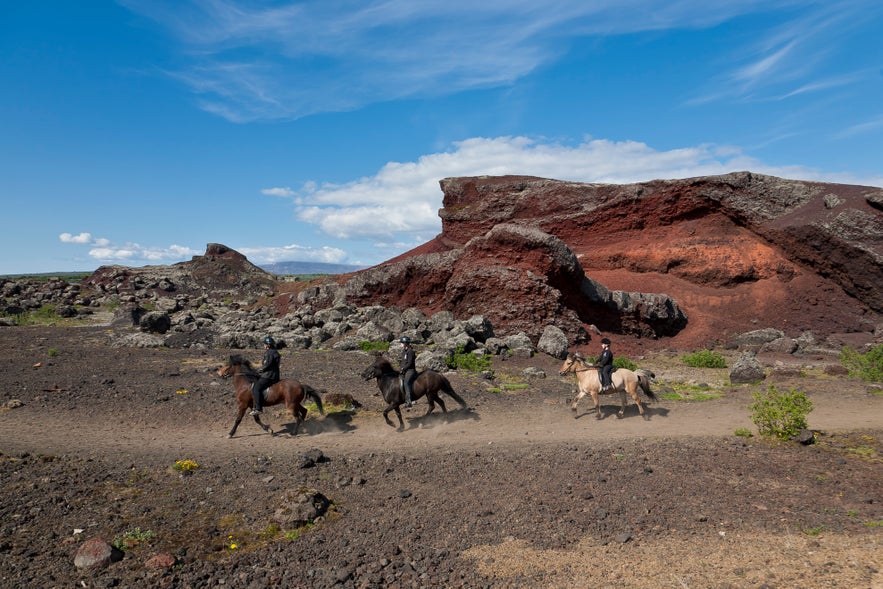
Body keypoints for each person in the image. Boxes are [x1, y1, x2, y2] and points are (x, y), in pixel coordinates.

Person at [250, 336, 281, 416]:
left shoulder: (269, 353)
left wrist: (259, 370)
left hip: (269, 376)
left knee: (256, 387)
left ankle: (258, 408)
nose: (264, 345)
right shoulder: (275, 352)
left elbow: (267, 364)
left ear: (268, 345)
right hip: (275, 375)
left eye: (264, 344)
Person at [399, 336, 417, 408]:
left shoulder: (411, 351)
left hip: (410, 370)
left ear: (405, 343)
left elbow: (409, 363)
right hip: (404, 370)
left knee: (406, 382)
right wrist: (401, 368)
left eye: (401, 343)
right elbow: (403, 362)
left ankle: (409, 401)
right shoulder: (404, 351)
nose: (400, 344)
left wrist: (403, 368)